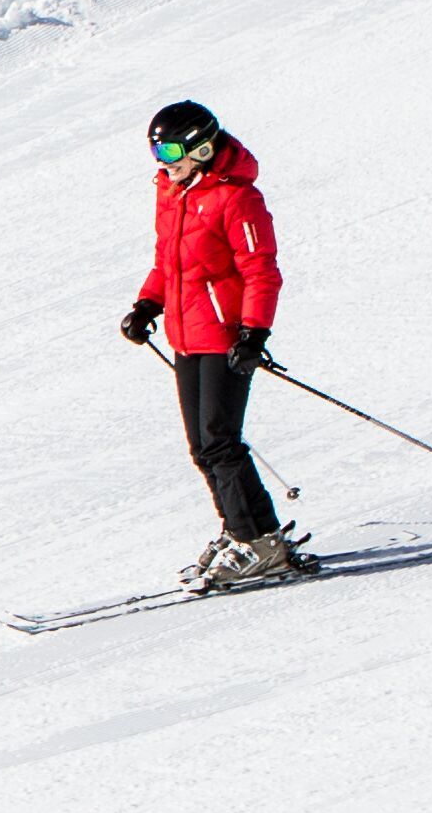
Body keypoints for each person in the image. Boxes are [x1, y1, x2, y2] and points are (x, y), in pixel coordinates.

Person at [119, 96, 309, 587]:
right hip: (187, 334)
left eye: (170, 154)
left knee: (222, 443)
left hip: (226, 337)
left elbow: (260, 270)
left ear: (201, 149)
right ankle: (239, 530)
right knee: (203, 448)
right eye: (157, 155)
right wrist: (147, 305)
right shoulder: (173, 194)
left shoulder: (238, 199)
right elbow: (168, 263)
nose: (164, 165)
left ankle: (261, 541)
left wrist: (254, 333)